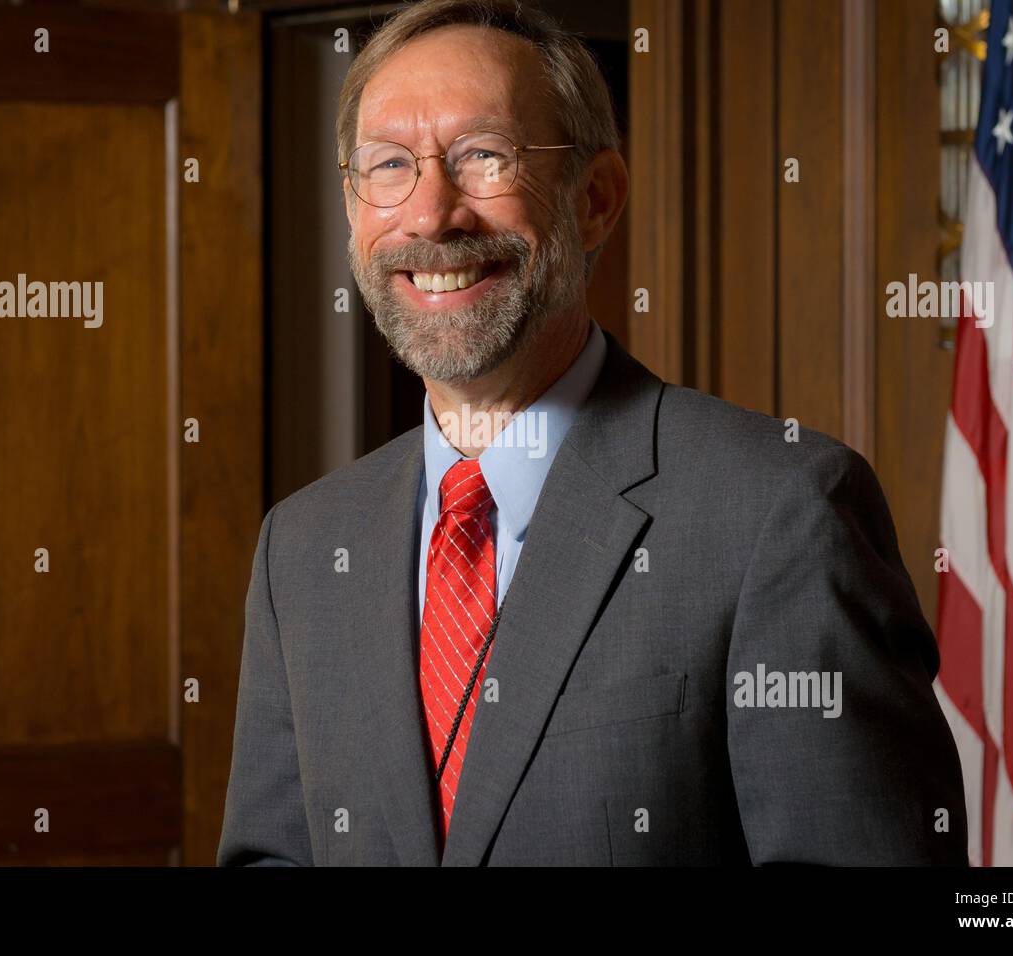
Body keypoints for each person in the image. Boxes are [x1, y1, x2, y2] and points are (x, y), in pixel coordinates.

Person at [218, 0, 967, 866]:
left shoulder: (782, 512)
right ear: (352, 211)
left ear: (598, 198)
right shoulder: (304, 548)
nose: (430, 215)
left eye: (483, 156)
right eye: (388, 165)